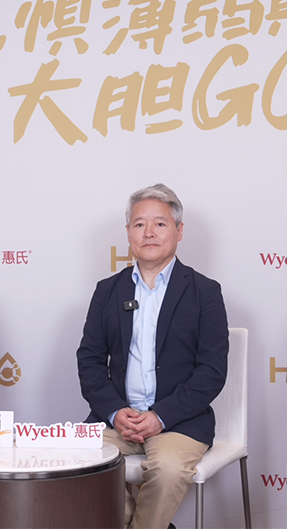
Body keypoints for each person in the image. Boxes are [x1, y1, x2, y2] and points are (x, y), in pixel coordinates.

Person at [77, 184, 229, 529]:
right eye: (139, 224)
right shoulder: (107, 291)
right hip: (116, 421)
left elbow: (212, 370)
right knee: (77, 461)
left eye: (160, 223)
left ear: (179, 231)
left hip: (179, 422)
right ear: (128, 232)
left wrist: (161, 416)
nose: (149, 232)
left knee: (168, 469)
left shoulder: (205, 292)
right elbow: (89, 360)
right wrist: (115, 412)